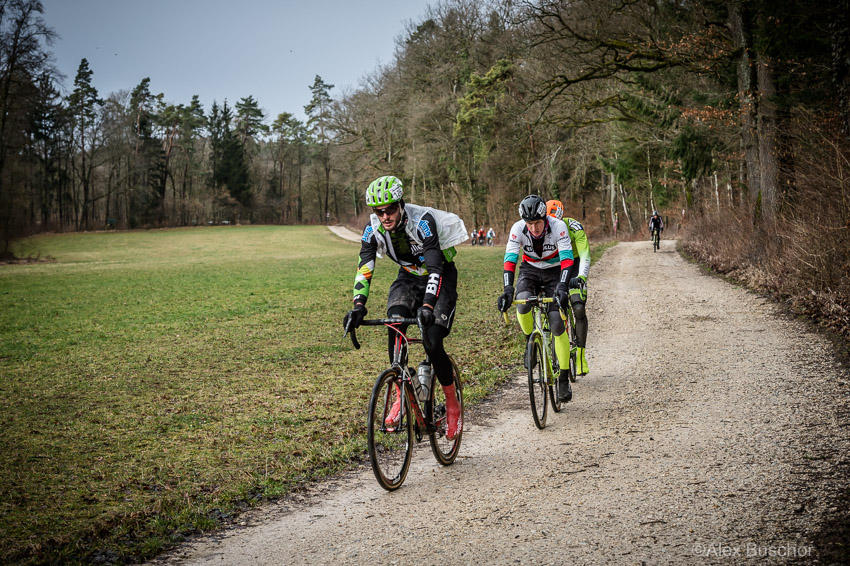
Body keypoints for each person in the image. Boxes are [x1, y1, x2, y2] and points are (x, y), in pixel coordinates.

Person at [343, 175, 468, 439]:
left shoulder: (423, 222)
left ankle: (452, 403)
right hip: (409, 275)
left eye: (390, 209)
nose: (385, 216)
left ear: (400, 205)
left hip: (440, 274)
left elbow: (435, 267)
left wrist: (427, 305)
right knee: (394, 321)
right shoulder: (372, 229)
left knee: (432, 338)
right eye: (379, 211)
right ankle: (401, 390)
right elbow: (364, 267)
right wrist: (358, 306)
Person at [497, 195, 575, 402]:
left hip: (554, 271)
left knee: (558, 324)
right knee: (522, 304)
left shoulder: (558, 226)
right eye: (529, 224)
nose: (534, 228)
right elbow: (510, 259)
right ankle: (530, 342)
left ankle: (564, 379)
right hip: (529, 271)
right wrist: (507, 289)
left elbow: (567, 259)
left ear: (545, 219)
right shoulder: (517, 229)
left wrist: (563, 286)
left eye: (537, 223)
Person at [546, 199, 590, 377]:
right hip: (553, 267)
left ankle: (580, 355)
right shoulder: (542, 228)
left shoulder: (573, 227)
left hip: (574, 264)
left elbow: (585, 253)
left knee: (578, 307)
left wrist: (581, 277)